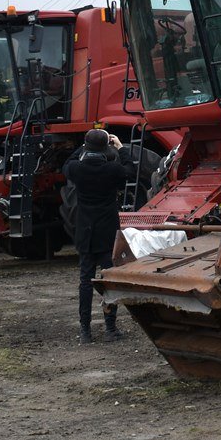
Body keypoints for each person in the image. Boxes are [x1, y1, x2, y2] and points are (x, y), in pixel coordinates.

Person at [63, 128, 129, 345]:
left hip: (84, 232)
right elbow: (129, 170)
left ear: (86, 146)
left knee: (85, 281)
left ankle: (85, 332)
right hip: (107, 233)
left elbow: (68, 163)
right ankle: (110, 329)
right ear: (105, 147)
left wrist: (84, 145)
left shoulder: (76, 168)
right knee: (108, 280)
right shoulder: (112, 170)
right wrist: (119, 147)